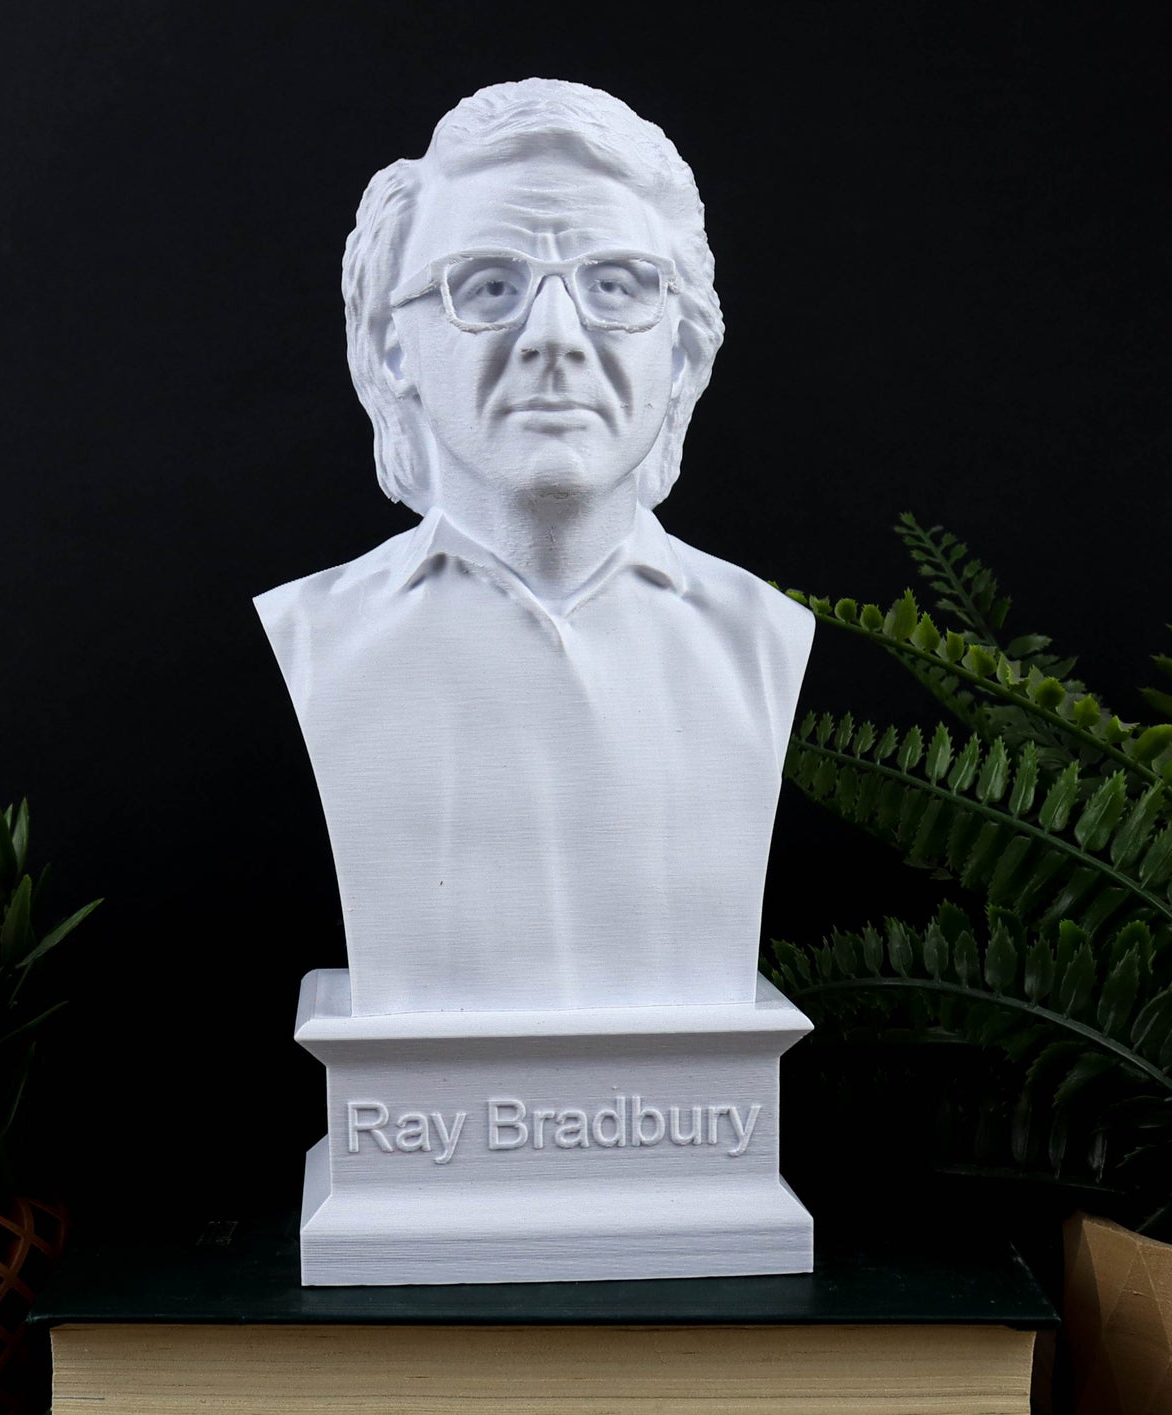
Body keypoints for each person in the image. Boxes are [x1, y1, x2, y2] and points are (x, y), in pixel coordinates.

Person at [256, 79, 814, 1017]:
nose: (554, 337)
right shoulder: (321, 638)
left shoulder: (758, 640)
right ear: (396, 344)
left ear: (680, 348)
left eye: (615, 286)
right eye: (488, 286)